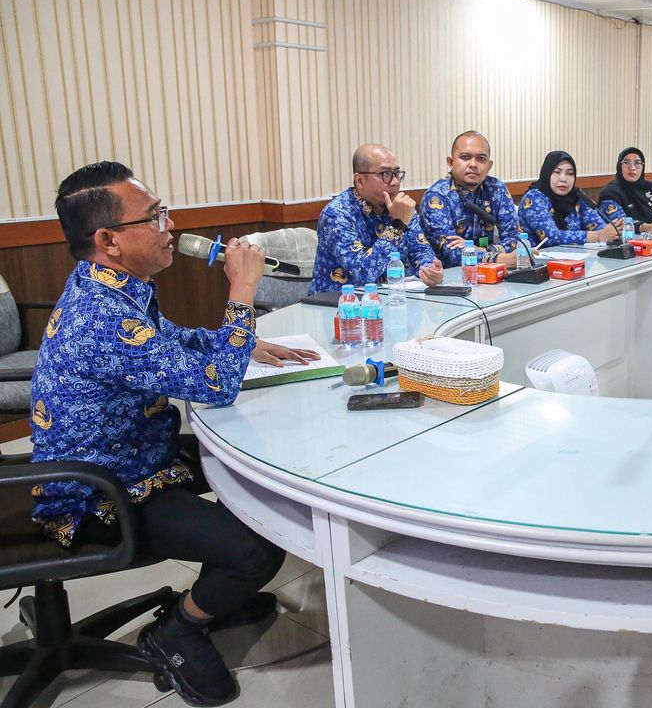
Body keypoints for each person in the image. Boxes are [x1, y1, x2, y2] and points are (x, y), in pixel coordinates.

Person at [31, 162, 319, 706]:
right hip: (99, 490)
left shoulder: (114, 285)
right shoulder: (100, 315)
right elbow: (214, 387)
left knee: (254, 463)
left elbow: (163, 339)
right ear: (109, 239)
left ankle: (220, 594)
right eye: (156, 216)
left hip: (136, 451)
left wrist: (230, 341)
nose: (170, 225)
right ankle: (179, 628)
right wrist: (241, 296)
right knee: (262, 544)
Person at [310, 143, 443, 293]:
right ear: (360, 181)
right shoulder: (336, 214)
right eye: (385, 174)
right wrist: (397, 225)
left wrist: (430, 270)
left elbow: (420, 250)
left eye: (397, 174)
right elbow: (363, 273)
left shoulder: (401, 207)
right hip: (340, 306)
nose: (395, 182)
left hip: (388, 300)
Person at [420, 130, 521, 268]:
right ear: (451, 162)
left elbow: (515, 238)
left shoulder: (496, 189)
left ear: (489, 165)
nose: (473, 164)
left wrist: (483, 251)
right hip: (447, 278)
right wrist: (501, 258)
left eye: (481, 159)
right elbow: (452, 254)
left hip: (492, 275)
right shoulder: (437, 196)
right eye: (465, 157)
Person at [517, 151, 615, 247]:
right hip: (537, 260)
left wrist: (611, 231)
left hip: (576, 258)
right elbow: (551, 237)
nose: (563, 179)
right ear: (547, 173)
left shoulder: (577, 196)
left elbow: (596, 225)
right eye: (557, 172)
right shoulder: (534, 198)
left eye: (570, 173)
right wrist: (597, 236)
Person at [598, 147, 652, 235]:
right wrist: (643, 227)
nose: (632, 168)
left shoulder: (651, 188)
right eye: (626, 163)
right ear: (619, 166)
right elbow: (618, 223)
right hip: (627, 242)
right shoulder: (609, 193)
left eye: (637, 163)